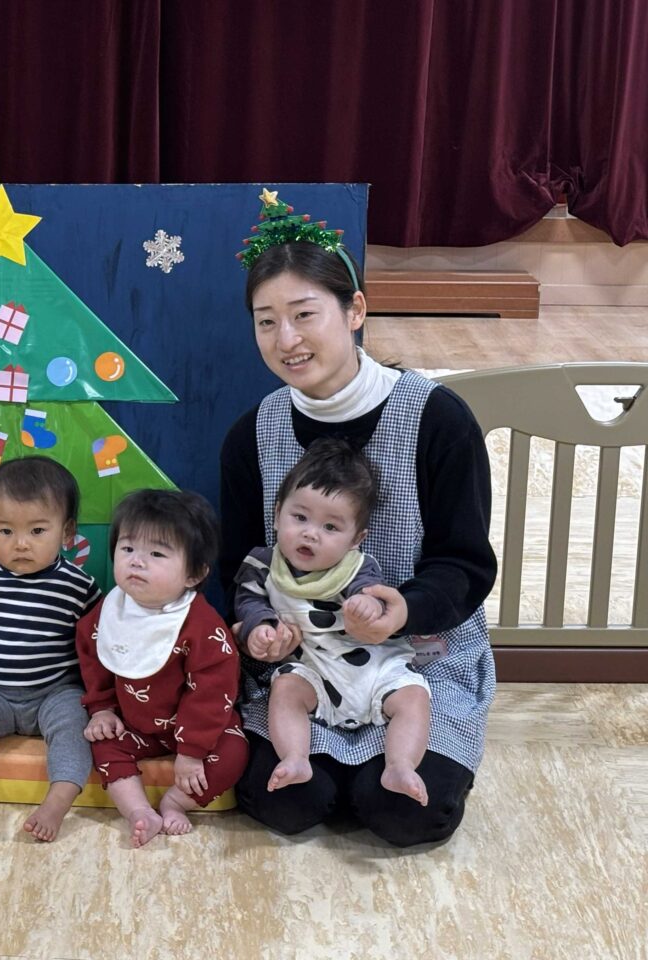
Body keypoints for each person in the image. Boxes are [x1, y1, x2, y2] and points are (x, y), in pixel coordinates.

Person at [218, 189, 496, 847]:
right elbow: (240, 564)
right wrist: (258, 631)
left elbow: (464, 561)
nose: (287, 339)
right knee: (287, 802)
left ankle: (379, 770)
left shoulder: (437, 418)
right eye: (266, 321)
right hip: (304, 659)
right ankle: (330, 769)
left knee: (406, 814)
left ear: (355, 311)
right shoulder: (252, 434)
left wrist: (403, 609)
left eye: (304, 315)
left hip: (418, 658)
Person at [233, 437, 432, 805]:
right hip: (313, 670)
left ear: (356, 539)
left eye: (330, 527)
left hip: (374, 669)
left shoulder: (357, 567)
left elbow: (371, 594)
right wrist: (260, 627)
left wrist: (366, 606)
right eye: (300, 517)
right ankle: (295, 757)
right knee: (285, 690)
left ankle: (401, 765)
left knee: (413, 696)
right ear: (277, 514)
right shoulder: (262, 564)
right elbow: (248, 602)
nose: (310, 533)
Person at [77, 488, 248, 848]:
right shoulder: (110, 610)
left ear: (194, 574)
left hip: (201, 731)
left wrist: (192, 751)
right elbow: (95, 659)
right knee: (102, 743)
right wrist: (102, 709)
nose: (137, 561)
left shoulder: (202, 626)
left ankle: (176, 803)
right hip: (135, 724)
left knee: (233, 754)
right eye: (127, 549)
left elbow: (213, 692)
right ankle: (139, 811)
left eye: (156, 553)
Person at [0, 456, 101, 842]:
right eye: (6, 531)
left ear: (67, 532)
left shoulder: (79, 585)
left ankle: (57, 803)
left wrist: (98, 700)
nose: (21, 543)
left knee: (74, 730)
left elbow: (96, 647)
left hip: (56, 693)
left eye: (37, 530)